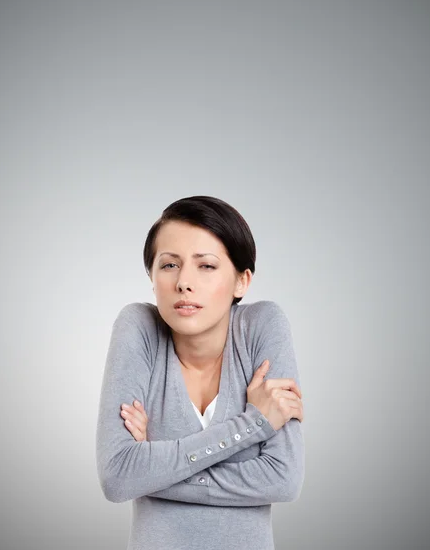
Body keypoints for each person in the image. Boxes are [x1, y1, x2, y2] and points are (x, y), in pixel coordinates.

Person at [96, 195, 305, 550]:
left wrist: (152, 468)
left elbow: (283, 479)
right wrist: (254, 424)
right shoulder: (139, 328)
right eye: (169, 265)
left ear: (242, 280)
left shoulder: (262, 327)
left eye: (206, 266)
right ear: (152, 276)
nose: (183, 283)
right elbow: (117, 476)